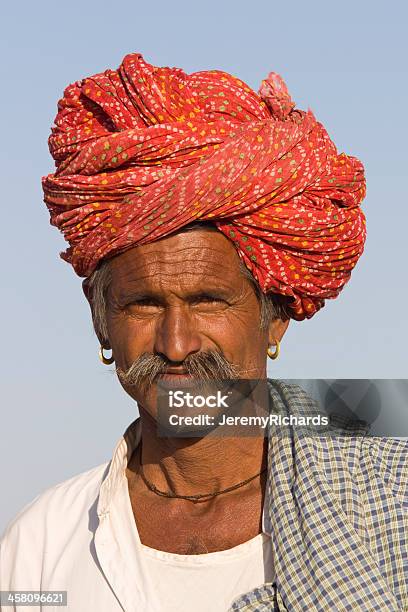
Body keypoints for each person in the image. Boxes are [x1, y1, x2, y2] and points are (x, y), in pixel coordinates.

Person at [1, 53, 406, 611]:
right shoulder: (42, 547)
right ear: (101, 319)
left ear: (276, 317)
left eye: (208, 301)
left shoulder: (388, 502)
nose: (176, 344)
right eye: (143, 305)